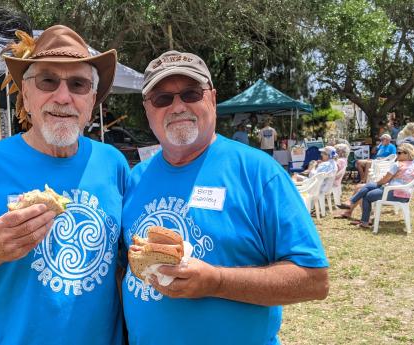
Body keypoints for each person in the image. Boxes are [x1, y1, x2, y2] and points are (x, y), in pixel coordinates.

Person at [0, 25, 129, 344]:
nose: (63, 96)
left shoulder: (113, 164)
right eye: (47, 81)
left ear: (92, 100)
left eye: (78, 84)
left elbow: (121, 269)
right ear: (26, 95)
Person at [121, 50, 329, 345]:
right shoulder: (136, 178)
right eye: (162, 99)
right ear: (147, 109)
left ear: (212, 99)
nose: (178, 106)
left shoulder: (258, 172)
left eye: (190, 93)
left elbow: (314, 280)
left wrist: (216, 281)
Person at [337, 143, 414, 228]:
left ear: (407, 154)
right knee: (368, 187)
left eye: (399, 153)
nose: (397, 155)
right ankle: (353, 205)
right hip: (405, 196)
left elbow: (384, 180)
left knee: (367, 194)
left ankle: (363, 219)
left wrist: (377, 183)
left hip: (393, 193)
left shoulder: (397, 164)